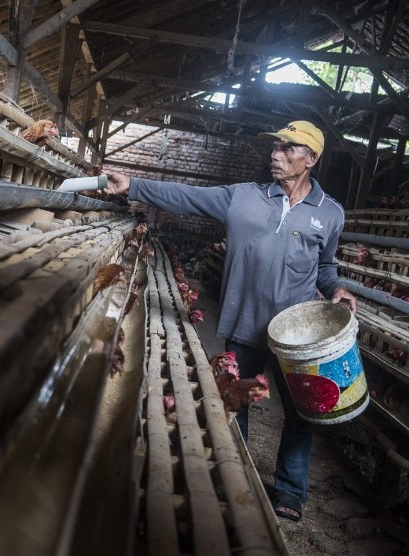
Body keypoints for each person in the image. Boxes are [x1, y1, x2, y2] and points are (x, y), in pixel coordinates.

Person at [104, 120, 357, 523]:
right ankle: (233, 480)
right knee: (234, 405)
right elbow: (186, 195)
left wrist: (337, 289)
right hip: (245, 322)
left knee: (299, 413)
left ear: (311, 158)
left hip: (297, 333)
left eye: (287, 148)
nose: (275, 154)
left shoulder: (329, 213)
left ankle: (290, 492)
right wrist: (133, 185)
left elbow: (326, 266)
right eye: (274, 147)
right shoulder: (243, 198)